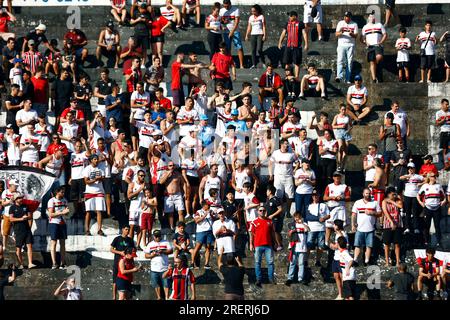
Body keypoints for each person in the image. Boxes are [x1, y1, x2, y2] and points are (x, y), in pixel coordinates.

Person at [351, 187, 382, 266]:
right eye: (366, 193)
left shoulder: (375, 202)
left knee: (369, 246)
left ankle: (367, 260)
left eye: (369, 193)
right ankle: (355, 260)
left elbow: (380, 213)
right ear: (363, 194)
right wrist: (353, 225)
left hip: (370, 228)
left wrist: (372, 212)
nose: (368, 195)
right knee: (357, 245)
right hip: (360, 228)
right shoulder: (358, 202)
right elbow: (353, 214)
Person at [249, 204, 275, 287]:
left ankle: (271, 279)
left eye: (264, 210)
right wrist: (250, 243)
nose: (262, 212)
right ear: (257, 212)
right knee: (257, 263)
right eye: (260, 210)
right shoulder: (254, 222)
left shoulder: (270, 221)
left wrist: (275, 243)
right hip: (258, 245)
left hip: (268, 245)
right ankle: (258, 279)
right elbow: (251, 234)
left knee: (270, 263)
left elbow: (273, 233)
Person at [8, 193, 36, 269]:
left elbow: (30, 216)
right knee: (18, 247)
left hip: (27, 229)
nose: (21, 199)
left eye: (21, 197)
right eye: (19, 198)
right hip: (18, 230)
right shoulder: (12, 207)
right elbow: (11, 219)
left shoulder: (26, 206)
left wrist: (27, 219)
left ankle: (30, 263)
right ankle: (20, 264)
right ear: (16, 199)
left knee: (29, 245)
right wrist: (21, 218)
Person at [417, 173, 446, 246]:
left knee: (437, 226)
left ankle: (439, 242)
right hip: (428, 208)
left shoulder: (438, 186)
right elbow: (418, 195)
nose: (434, 177)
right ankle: (427, 241)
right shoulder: (425, 186)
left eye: (435, 176)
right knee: (427, 226)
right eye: (433, 176)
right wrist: (420, 202)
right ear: (429, 177)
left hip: (437, 208)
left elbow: (444, 197)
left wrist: (443, 201)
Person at [144, 229, 173, 300]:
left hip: (164, 267)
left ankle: (166, 297)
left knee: (166, 284)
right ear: (153, 236)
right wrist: (152, 255)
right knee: (155, 284)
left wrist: (163, 251)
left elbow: (171, 250)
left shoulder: (165, 242)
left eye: (159, 236)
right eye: (156, 236)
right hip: (154, 268)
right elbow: (146, 255)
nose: (157, 238)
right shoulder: (150, 244)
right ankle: (159, 297)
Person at [278, 11, 308, 78]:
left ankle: (296, 77)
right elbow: (283, 33)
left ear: (295, 16)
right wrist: (280, 42)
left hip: (297, 47)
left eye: (291, 16)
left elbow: (304, 33)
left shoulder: (300, 23)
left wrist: (306, 44)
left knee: (297, 63)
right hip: (288, 46)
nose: (289, 17)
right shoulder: (287, 24)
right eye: (289, 16)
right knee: (287, 62)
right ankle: (287, 76)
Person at [83, 154, 107, 236]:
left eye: (97, 159)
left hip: (99, 191)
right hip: (89, 192)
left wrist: (100, 178)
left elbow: (103, 178)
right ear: (91, 160)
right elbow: (86, 181)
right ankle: (87, 229)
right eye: (94, 159)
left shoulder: (101, 168)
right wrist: (95, 179)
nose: (96, 160)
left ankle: (99, 229)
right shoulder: (87, 169)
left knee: (99, 211)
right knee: (88, 211)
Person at [159, 161, 187, 231]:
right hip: (168, 195)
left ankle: (181, 227)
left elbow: (183, 183)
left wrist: (185, 193)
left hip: (177, 194)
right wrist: (168, 173)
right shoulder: (165, 173)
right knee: (170, 213)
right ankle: (172, 227)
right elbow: (161, 182)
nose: (172, 167)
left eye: (173, 165)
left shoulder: (178, 174)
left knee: (180, 211)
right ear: (168, 166)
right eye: (170, 165)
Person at [305, 189, 329, 267]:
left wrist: (324, 218)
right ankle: (306, 260)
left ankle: (318, 260)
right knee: (308, 244)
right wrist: (318, 219)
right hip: (311, 228)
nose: (315, 197)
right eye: (313, 195)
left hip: (321, 228)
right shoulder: (309, 206)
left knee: (321, 245)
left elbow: (328, 215)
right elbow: (308, 217)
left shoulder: (323, 205)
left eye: (316, 195)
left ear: (319, 196)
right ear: (312, 197)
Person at [110, 225, 135, 300]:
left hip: (127, 263)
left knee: (127, 278)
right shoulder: (117, 239)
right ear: (122, 229)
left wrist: (132, 263)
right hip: (118, 261)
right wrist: (120, 252)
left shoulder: (130, 240)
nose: (127, 231)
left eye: (128, 229)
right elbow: (111, 249)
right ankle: (114, 297)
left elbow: (133, 252)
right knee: (115, 279)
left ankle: (126, 296)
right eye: (126, 229)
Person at [361, 11, 387, 83]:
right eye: (370, 17)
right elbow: (362, 38)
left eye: (373, 17)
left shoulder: (379, 25)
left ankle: (376, 65)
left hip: (377, 45)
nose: (372, 18)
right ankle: (374, 78)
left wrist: (381, 42)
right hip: (370, 46)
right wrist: (366, 42)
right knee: (372, 62)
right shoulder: (365, 27)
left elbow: (385, 34)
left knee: (379, 57)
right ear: (368, 18)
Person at [47, 186, 70, 269]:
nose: (63, 193)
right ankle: (54, 263)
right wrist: (62, 212)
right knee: (54, 242)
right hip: (54, 223)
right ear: (57, 192)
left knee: (62, 243)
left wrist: (66, 212)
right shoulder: (51, 201)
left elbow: (66, 212)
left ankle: (63, 263)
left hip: (63, 223)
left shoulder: (64, 200)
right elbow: (51, 214)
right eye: (62, 192)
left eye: (64, 192)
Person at [285, 211, 310, 286]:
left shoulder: (304, 224)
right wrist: (291, 232)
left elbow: (308, 230)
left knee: (301, 263)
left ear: (301, 217)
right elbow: (289, 235)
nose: (296, 218)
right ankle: (290, 278)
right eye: (295, 217)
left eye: (298, 217)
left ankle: (300, 278)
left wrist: (302, 223)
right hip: (294, 246)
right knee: (292, 263)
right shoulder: (292, 225)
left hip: (302, 246)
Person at [400, 162, 424, 234]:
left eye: (411, 168)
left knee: (415, 212)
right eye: (409, 168)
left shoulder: (418, 176)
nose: (410, 169)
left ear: (414, 169)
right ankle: (407, 228)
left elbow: (426, 179)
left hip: (415, 196)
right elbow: (400, 178)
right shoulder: (405, 176)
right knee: (407, 212)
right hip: (407, 196)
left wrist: (421, 183)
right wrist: (408, 176)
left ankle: (416, 227)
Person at [382, 187, 403, 267]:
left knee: (397, 244)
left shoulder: (397, 200)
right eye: (392, 194)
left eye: (395, 194)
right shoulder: (384, 201)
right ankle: (387, 261)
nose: (394, 195)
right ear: (388, 194)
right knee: (387, 244)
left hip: (398, 224)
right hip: (387, 224)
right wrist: (391, 222)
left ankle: (398, 261)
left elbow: (400, 206)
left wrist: (391, 201)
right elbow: (385, 212)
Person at [220, 0, 244, 69]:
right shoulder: (222, 10)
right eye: (224, 6)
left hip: (235, 31)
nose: (226, 7)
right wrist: (223, 22)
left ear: (230, 4)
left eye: (227, 6)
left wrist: (232, 32)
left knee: (239, 48)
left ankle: (241, 65)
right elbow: (221, 21)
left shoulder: (236, 10)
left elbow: (236, 22)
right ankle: (229, 64)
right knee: (227, 48)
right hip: (226, 32)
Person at [191, 200, 215, 269]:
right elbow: (197, 221)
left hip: (209, 231)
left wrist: (211, 215)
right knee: (197, 247)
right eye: (208, 204)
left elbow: (214, 219)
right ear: (204, 205)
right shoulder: (198, 212)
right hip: (201, 231)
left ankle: (206, 264)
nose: (209, 206)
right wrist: (205, 215)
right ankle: (192, 263)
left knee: (208, 247)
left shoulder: (211, 211)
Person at [327, 219, 347, 300]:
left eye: (335, 225)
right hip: (336, 258)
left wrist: (328, 243)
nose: (333, 226)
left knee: (342, 277)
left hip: (341, 259)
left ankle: (345, 294)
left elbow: (337, 246)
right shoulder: (337, 234)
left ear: (338, 226)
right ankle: (340, 294)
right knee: (336, 276)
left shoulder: (343, 235)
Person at [335, 11, 358, 83]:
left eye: (347, 16)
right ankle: (339, 76)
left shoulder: (354, 24)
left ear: (350, 17)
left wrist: (351, 34)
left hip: (350, 45)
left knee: (349, 62)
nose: (346, 18)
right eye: (345, 16)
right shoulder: (340, 23)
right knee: (340, 60)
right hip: (341, 45)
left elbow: (356, 36)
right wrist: (341, 32)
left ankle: (347, 79)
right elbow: (336, 34)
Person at [379, 112, 401, 181]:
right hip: (387, 149)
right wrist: (385, 133)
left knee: (397, 165)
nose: (390, 120)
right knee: (386, 166)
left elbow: (399, 137)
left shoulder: (396, 126)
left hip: (395, 149)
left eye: (391, 118)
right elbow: (380, 138)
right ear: (386, 118)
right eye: (389, 118)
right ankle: (386, 182)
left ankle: (397, 180)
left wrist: (394, 135)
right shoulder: (383, 126)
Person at [245, 4, 266, 69]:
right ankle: (254, 64)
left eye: (254, 11)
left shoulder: (261, 16)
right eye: (252, 11)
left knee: (259, 49)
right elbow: (249, 26)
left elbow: (264, 26)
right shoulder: (251, 17)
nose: (253, 12)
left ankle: (263, 62)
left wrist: (264, 35)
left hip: (260, 34)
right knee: (253, 50)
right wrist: (246, 35)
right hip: (253, 34)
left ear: (257, 10)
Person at [332, 104, 352, 172]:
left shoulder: (348, 116)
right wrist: (340, 127)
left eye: (345, 109)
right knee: (340, 147)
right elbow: (333, 126)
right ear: (340, 110)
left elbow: (351, 125)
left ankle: (343, 166)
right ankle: (339, 164)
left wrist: (348, 131)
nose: (344, 111)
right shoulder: (337, 116)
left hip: (345, 132)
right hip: (339, 132)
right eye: (342, 109)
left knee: (345, 151)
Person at [265, 185, 283, 251]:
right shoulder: (268, 200)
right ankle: (273, 244)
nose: (266, 192)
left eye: (267, 191)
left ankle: (279, 244)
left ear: (270, 191)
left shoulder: (275, 199)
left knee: (275, 231)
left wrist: (272, 215)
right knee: (270, 232)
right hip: (268, 219)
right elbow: (267, 210)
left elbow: (280, 209)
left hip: (275, 219)